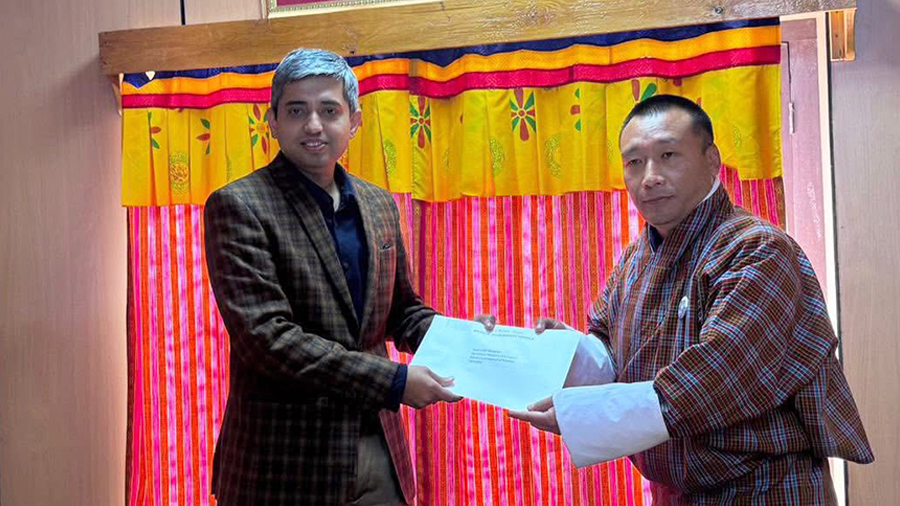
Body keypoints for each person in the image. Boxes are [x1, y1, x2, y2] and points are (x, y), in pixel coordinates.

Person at [508, 94, 874, 504]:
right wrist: (562, 352)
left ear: (712, 160)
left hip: (763, 490)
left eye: (668, 155)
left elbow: (715, 379)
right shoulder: (634, 259)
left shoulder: (757, 249)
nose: (649, 177)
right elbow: (609, 350)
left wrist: (581, 415)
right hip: (676, 493)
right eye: (634, 162)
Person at [204, 48, 463, 506]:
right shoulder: (239, 205)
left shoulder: (379, 203)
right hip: (282, 464)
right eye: (296, 111)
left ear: (354, 120)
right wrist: (395, 382)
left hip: (378, 449)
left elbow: (403, 311)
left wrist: (466, 343)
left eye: (329, 110)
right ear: (272, 121)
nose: (313, 125)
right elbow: (268, 339)